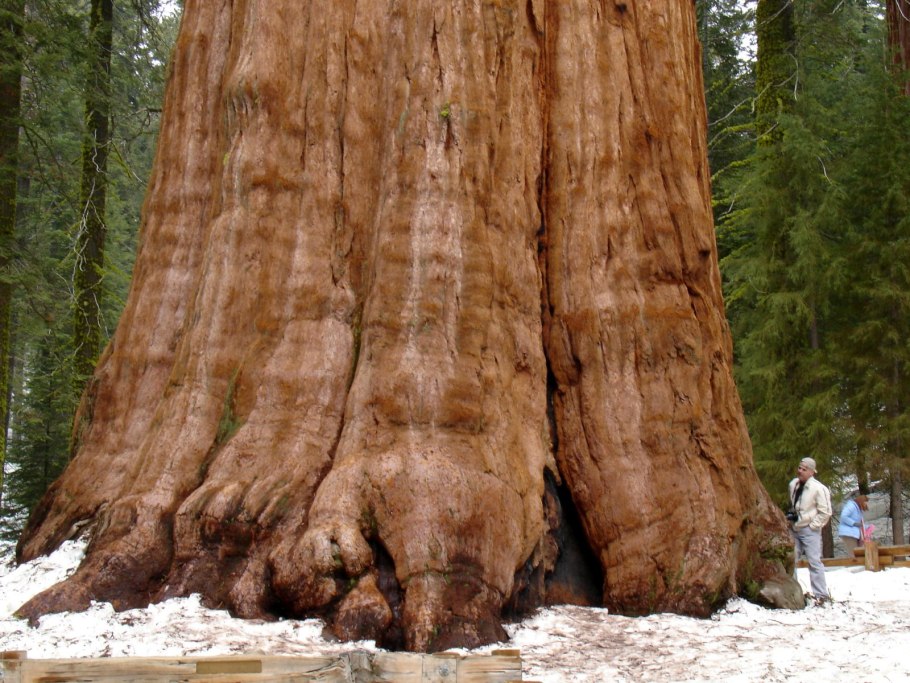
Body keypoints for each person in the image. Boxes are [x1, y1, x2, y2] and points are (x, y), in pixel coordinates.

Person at [787, 457, 832, 605]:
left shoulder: (819, 488)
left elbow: (825, 511)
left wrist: (814, 525)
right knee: (791, 559)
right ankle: (793, 592)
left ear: (812, 472)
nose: (800, 471)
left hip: (809, 530)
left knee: (814, 561)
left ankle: (821, 594)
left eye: (804, 469)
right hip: (795, 528)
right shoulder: (793, 484)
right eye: (800, 468)